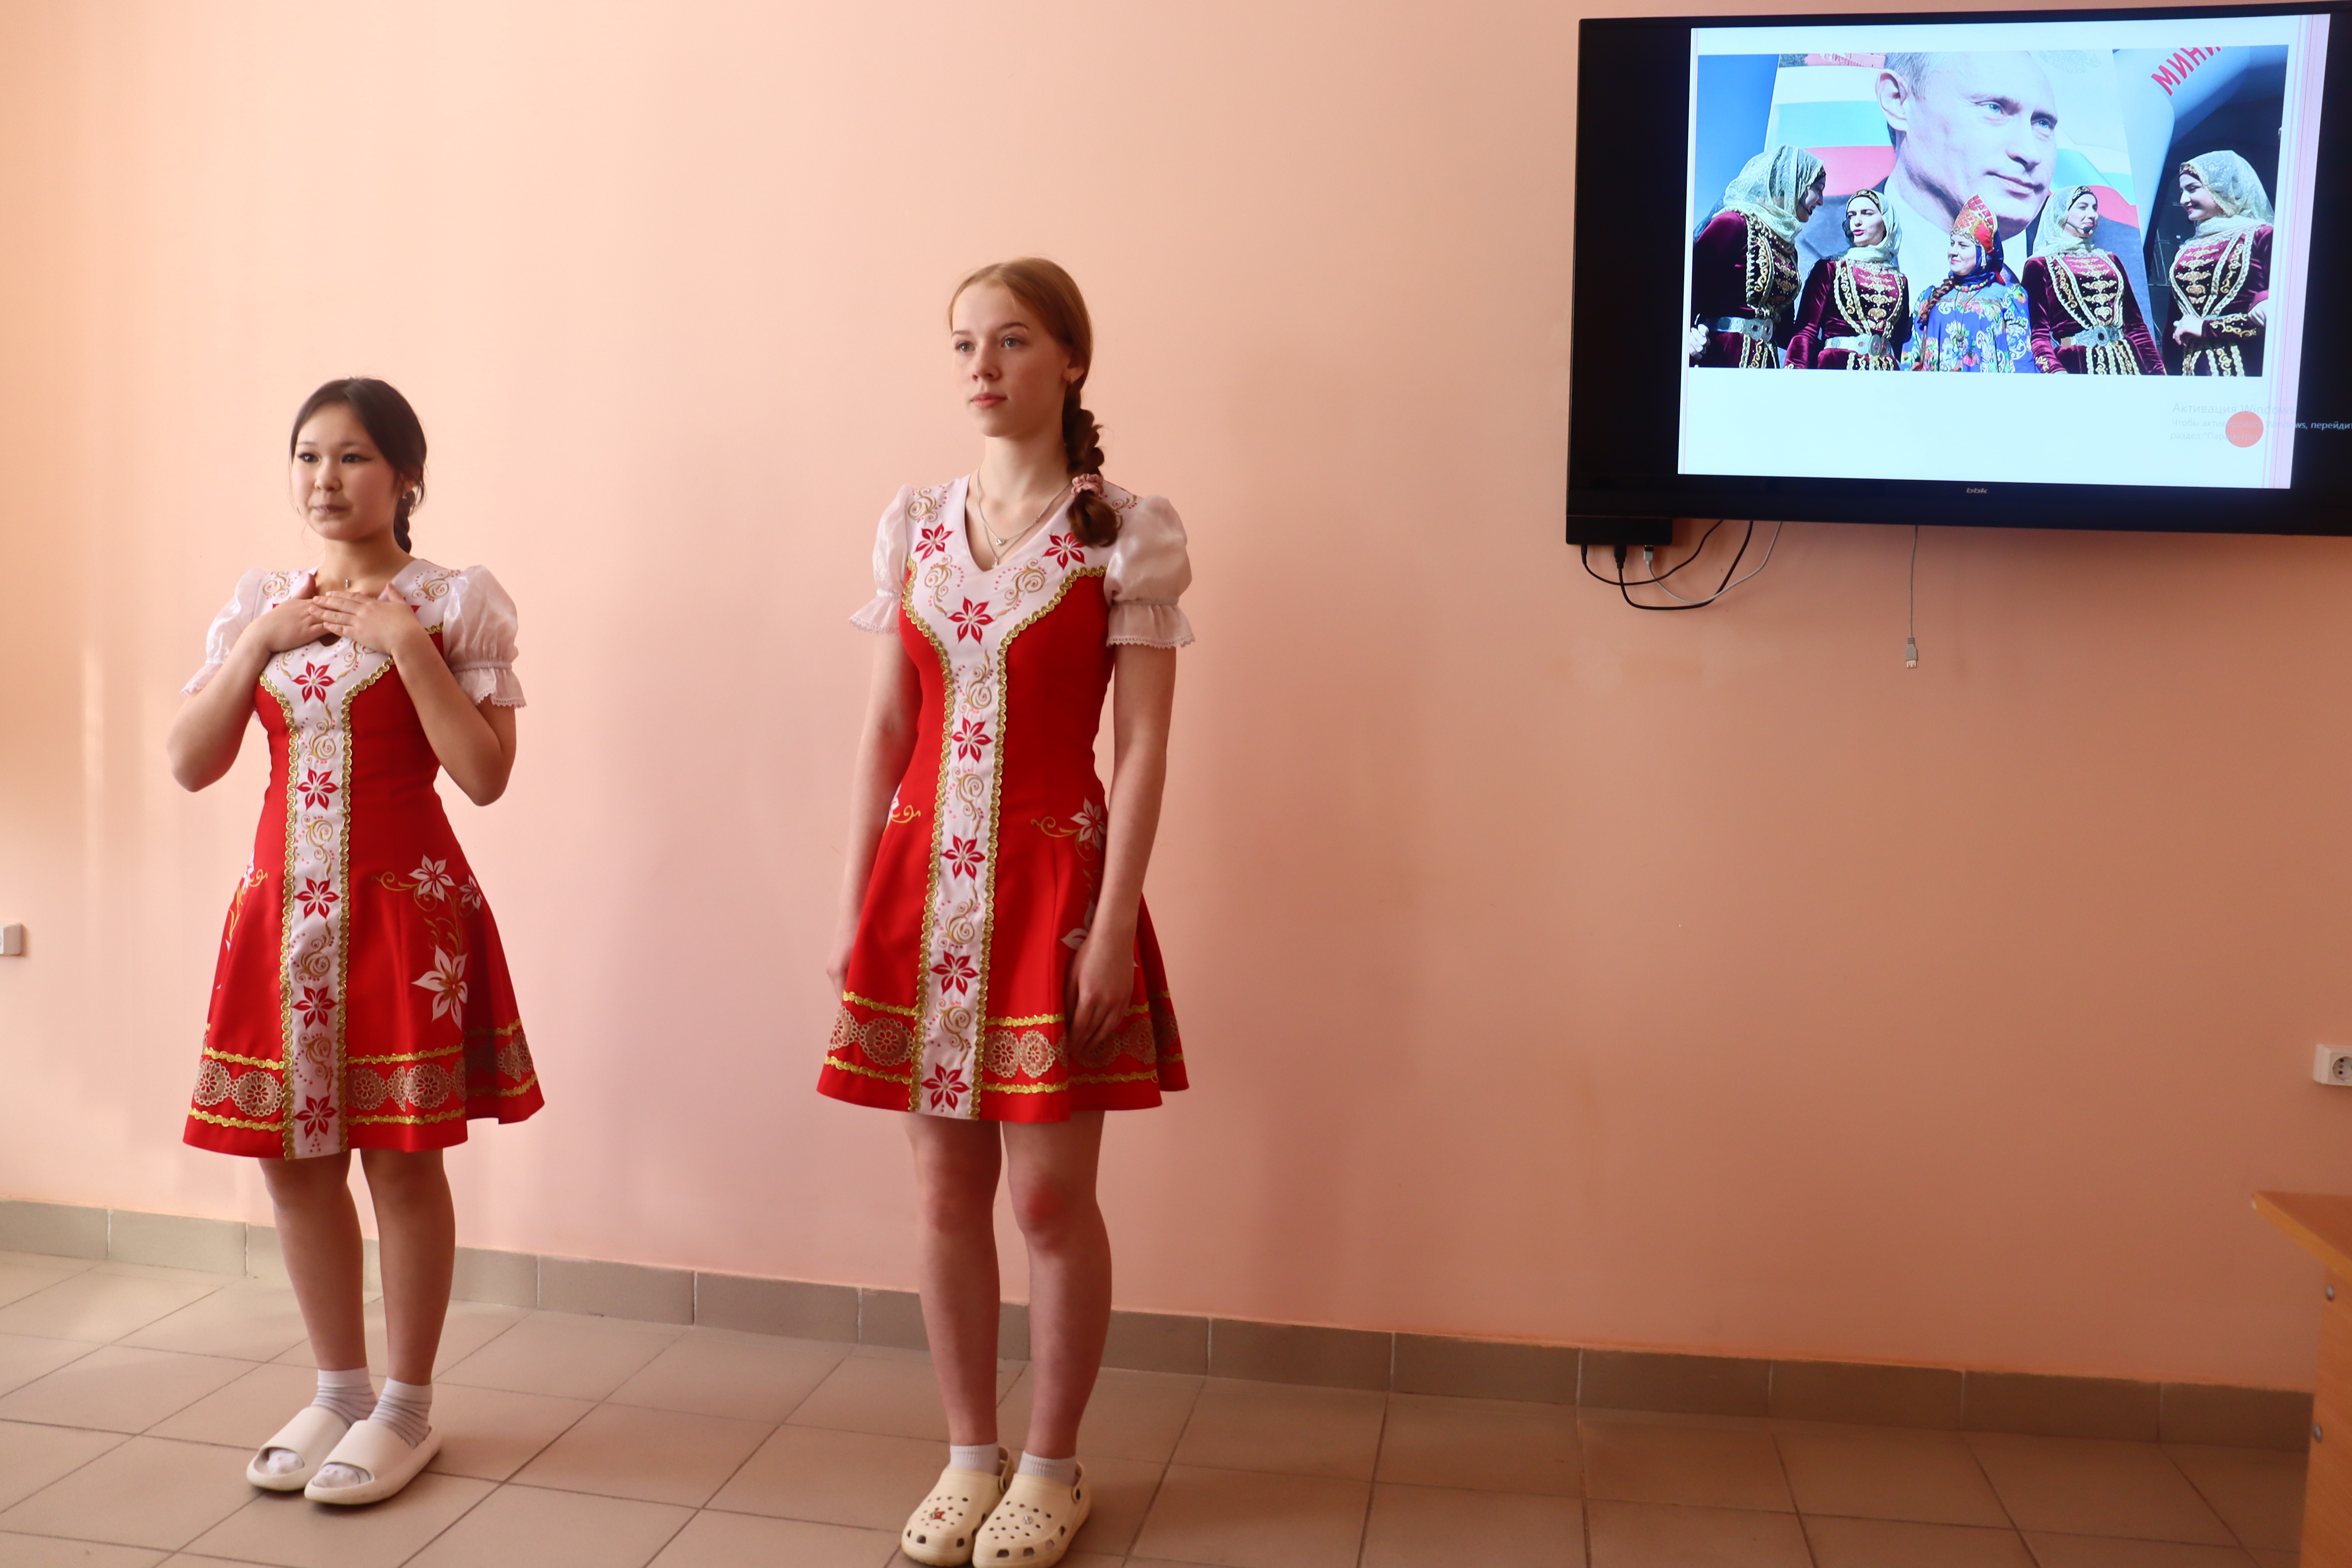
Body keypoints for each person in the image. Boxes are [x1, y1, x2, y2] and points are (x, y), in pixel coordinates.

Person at [822, 258, 1191, 1568]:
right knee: (942, 1194)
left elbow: (1141, 750)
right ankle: (969, 1455)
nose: (983, 366)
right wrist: (855, 904)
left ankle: (1051, 1466)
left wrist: (1114, 923)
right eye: (965, 344)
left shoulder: (1123, 534)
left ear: (1070, 361)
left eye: (1014, 341)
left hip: (1054, 893)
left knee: (1047, 1201)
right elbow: (886, 730)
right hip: (921, 895)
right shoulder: (916, 526)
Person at [168, 379, 538, 1507]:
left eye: (355, 457)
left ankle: (406, 1408)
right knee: (294, 1162)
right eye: (309, 456)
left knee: (403, 1158)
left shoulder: (454, 602)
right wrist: (259, 643)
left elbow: (485, 776)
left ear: (407, 478)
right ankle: (337, 1391)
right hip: (284, 915)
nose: (326, 479)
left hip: (402, 912)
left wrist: (407, 645)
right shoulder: (261, 603)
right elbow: (190, 761)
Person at [1794, 52, 2157, 320]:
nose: (2030, 153)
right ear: (1898, 101)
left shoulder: (2118, 250)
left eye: (2043, 123)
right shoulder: (1800, 241)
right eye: (1994, 108)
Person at [1688, 146, 1826, 368]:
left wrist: (1835, 349)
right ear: (1794, 184)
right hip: (1721, 359)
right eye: (1818, 190)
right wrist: (1687, 336)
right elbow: (1688, 290)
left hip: (1766, 367)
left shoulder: (1788, 250)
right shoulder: (1733, 223)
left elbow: (1783, 329)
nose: (1821, 201)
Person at [2023, 185, 2166, 375]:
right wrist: (2056, 372)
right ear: (2061, 212)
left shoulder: (2111, 260)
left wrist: (2157, 372)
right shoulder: (2040, 265)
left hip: (2128, 365)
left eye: (2095, 208)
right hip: (2075, 367)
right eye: (2083, 207)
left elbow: (2136, 327)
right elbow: (2038, 334)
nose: (2092, 215)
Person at [2167, 152, 2274, 377]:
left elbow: (2293, 301)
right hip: (2191, 370)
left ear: (2223, 187)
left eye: (2193, 189)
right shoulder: (2186, 248)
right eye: (2182, 192)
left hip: (2248, 366)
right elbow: (2174, 320)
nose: (2184, 200)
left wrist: (2265, 298)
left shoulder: (2262, 236)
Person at [1908, 194, 2039, 373]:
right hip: (1937, 390)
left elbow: (2021, 360)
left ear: (1983, 254)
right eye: (1952, 243)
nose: (1953, 252)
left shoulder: (2008, 299)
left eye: (1963, 246)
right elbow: (1912, 357)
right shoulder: (1931, 298)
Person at [1786, 190, 1913, 369]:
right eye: (1851, 216)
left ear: (1886, 221)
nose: (1857, 222)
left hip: (1885, 375)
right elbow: (1806, 332)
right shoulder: (1830, 268)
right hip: (1836, 370)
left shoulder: (1899, 281)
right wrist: (1796, 375)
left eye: (1867, 214)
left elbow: (1899, 342)